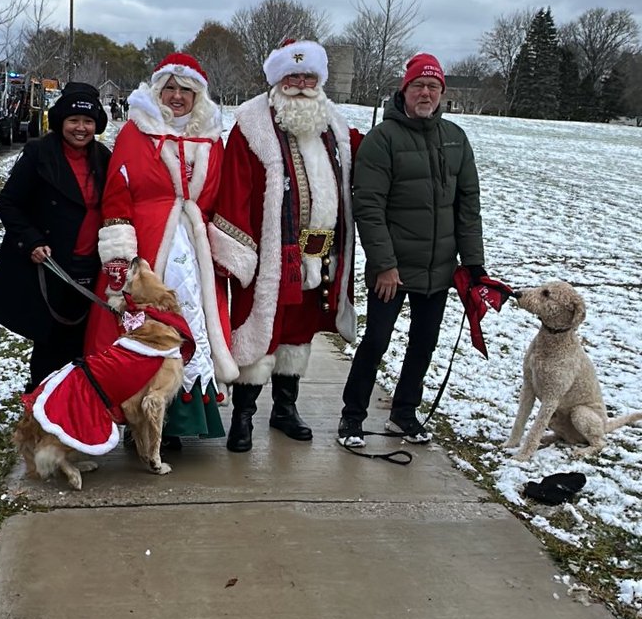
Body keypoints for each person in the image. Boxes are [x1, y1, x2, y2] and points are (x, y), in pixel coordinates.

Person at [211, 39, 360, 453]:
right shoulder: (251, 123)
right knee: (258, 332)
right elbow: (235, 185)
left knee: (298, 333)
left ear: (319, 79)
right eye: (292, 76)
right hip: (268, 254)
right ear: (278, 79)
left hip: (317, 252)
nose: (300, 83)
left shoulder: (333, 123)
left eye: (308, 76)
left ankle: (284, 410)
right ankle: (242, 418)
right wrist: (238, 250)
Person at [87, 53, 237, 446]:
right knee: (151, 326)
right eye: (168, 87)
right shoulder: (136, 132)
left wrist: (222, 248)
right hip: (150, 245)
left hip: (196, 242)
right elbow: (116, 196)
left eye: (184, 90)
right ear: (157, 90)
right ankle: (150, 419)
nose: (176, 96)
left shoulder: (211, 137)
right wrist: (120, 257)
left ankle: (190, 416)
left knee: (195, 323)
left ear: (197, 95)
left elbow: (219, 196)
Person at [337, 53, 485, 448]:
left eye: (433, 87)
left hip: (439, 269)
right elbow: (368, 206)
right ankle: (352, 417)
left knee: (424, 344)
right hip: (393, 269)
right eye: (418, 85)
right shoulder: (382, 141)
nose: (425, 93)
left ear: (442, 94)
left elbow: (468, 204)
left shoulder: (455, 139)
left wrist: (473, 266)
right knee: (378, 341)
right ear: (405, 90)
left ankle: (404, 414)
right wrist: (384, 264)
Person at [0, 82, 111, 389]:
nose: (81, 128)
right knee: (50, 347)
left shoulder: (103, 158)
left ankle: (77, 410)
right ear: (61, 122)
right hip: (52, 266)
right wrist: (32, 240)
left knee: (85, 344)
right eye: (74, 121)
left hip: (91, 266)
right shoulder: (39, 153)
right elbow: (9, 202)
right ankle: (42, 407)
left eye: (88, 121)